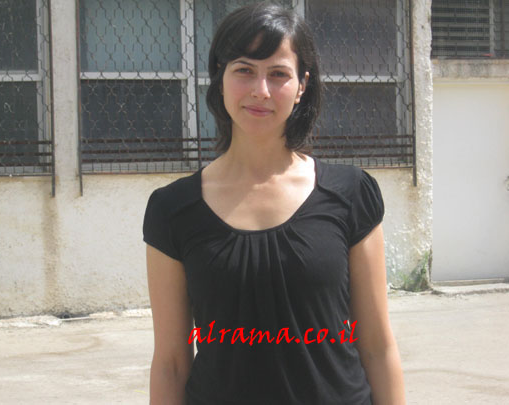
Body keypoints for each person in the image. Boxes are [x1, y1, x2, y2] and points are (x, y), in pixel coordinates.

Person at [143, 2, 405, 404]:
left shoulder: (351, 194)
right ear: (219, 76)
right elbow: (171, 364)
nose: (260, 91)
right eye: (244, 70)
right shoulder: (172, 209)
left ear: (302, 86)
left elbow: (377, 347)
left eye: (278, 74)